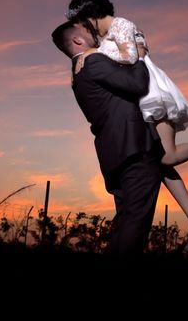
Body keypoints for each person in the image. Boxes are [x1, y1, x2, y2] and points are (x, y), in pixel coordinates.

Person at [65, 0, 188, 251]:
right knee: (160, 160)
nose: (79, 27)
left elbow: (130, 58)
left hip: (151, 92)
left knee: (168, 157)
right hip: (138, 98)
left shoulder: (120, 24)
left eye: (79, 21)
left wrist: (92, 54)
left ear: (89, 15)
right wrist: (86, 57)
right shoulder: (101, 43)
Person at [52, 20, 163, 257]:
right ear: (77, 40)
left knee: (125, 222)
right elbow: (138, 84)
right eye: (85, 30)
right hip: (134, 149)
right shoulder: (93, 63)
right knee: (135, 226)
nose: (92, 30)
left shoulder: (78, 72)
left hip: (114, 155)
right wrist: (141, 57)